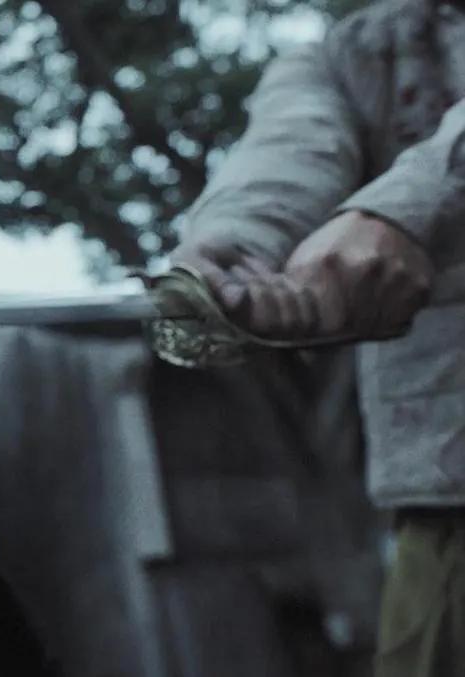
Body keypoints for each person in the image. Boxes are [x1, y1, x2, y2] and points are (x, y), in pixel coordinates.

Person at [169, 1, 464, 674]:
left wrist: (401, 211)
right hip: (443, 497)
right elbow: (288, 153)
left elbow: (414, 196)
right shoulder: (350, 55)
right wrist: (233, 248)